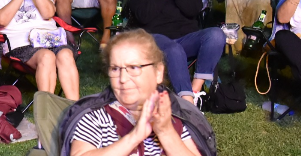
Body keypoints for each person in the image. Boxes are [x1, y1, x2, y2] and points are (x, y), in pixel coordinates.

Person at [64, 29, 215, 156]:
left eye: (134, 68)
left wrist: (165, 132)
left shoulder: (170, 115)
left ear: (158, 72)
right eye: (115, 69)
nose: (123, 79)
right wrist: (135, 136)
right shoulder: (96, 117)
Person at [128, 0, 224, 106]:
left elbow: (193, 10)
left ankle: (195, 89)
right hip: (154, 40)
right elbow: (143, 17)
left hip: (186, 39)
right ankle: (187, 103)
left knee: (216, 34)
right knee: (173, 48)